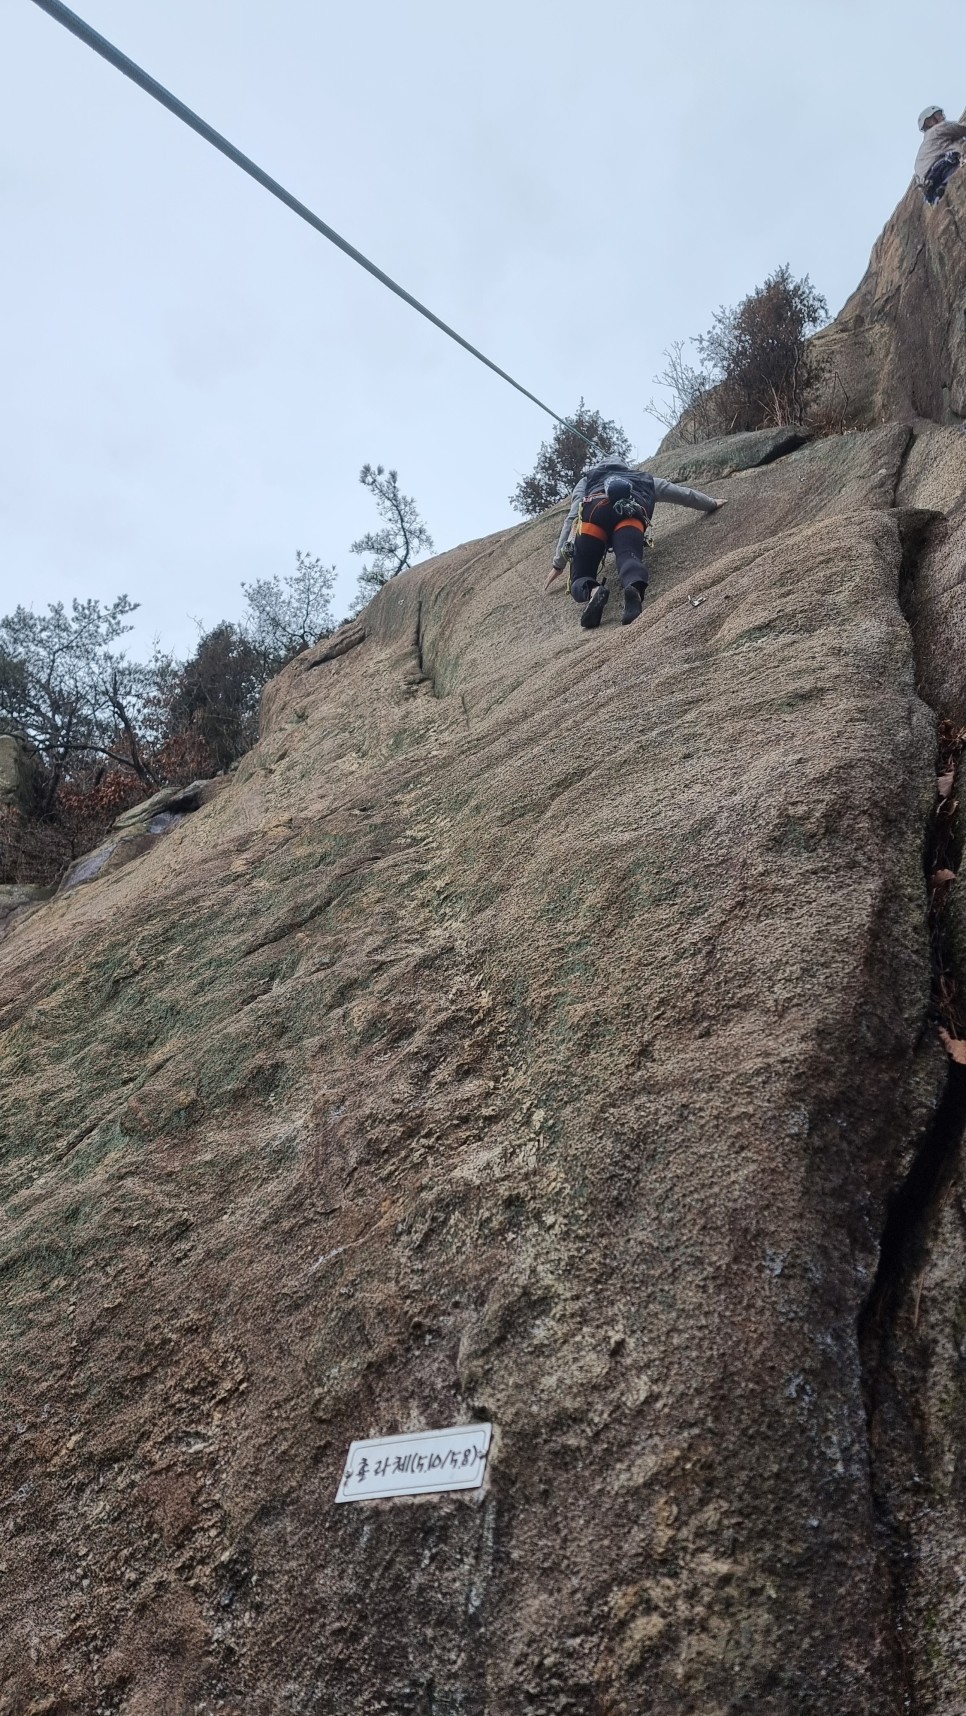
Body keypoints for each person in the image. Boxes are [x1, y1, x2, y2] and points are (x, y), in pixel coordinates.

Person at [546, 458, 725, 628]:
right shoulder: (644, 479)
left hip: (593, 516)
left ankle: (593, 592)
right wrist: (711, 503)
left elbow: (571, 517)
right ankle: (633, 589)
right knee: (628, 557)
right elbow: (682, 494)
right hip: (630, 513)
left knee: (581, 575)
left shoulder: (588, 479)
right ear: (625, 467)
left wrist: (558, 564)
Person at [915, 106, 966, 206]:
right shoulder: (937, 129)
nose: (943, 117)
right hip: (943, 166)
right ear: (930, 122)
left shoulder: (923, 149)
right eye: (939, 115)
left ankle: (940, 189)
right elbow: (962, 129)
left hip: (930, 183)